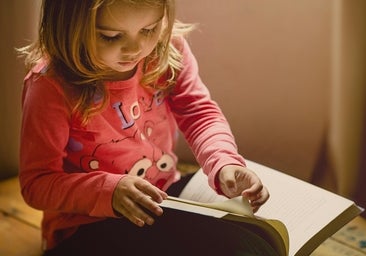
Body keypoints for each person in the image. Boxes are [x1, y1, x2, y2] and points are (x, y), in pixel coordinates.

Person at [18, 0, 270, 255]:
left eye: (149, 29)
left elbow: (199, 112)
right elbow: (37, 184)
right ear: (66, 27)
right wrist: (109, 191)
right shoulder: (50, 86)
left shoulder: (166, 50)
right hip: (86, 225)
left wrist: (224, 161)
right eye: (111, 36)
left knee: (254, 242)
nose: (135, 49)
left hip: (165, 196)